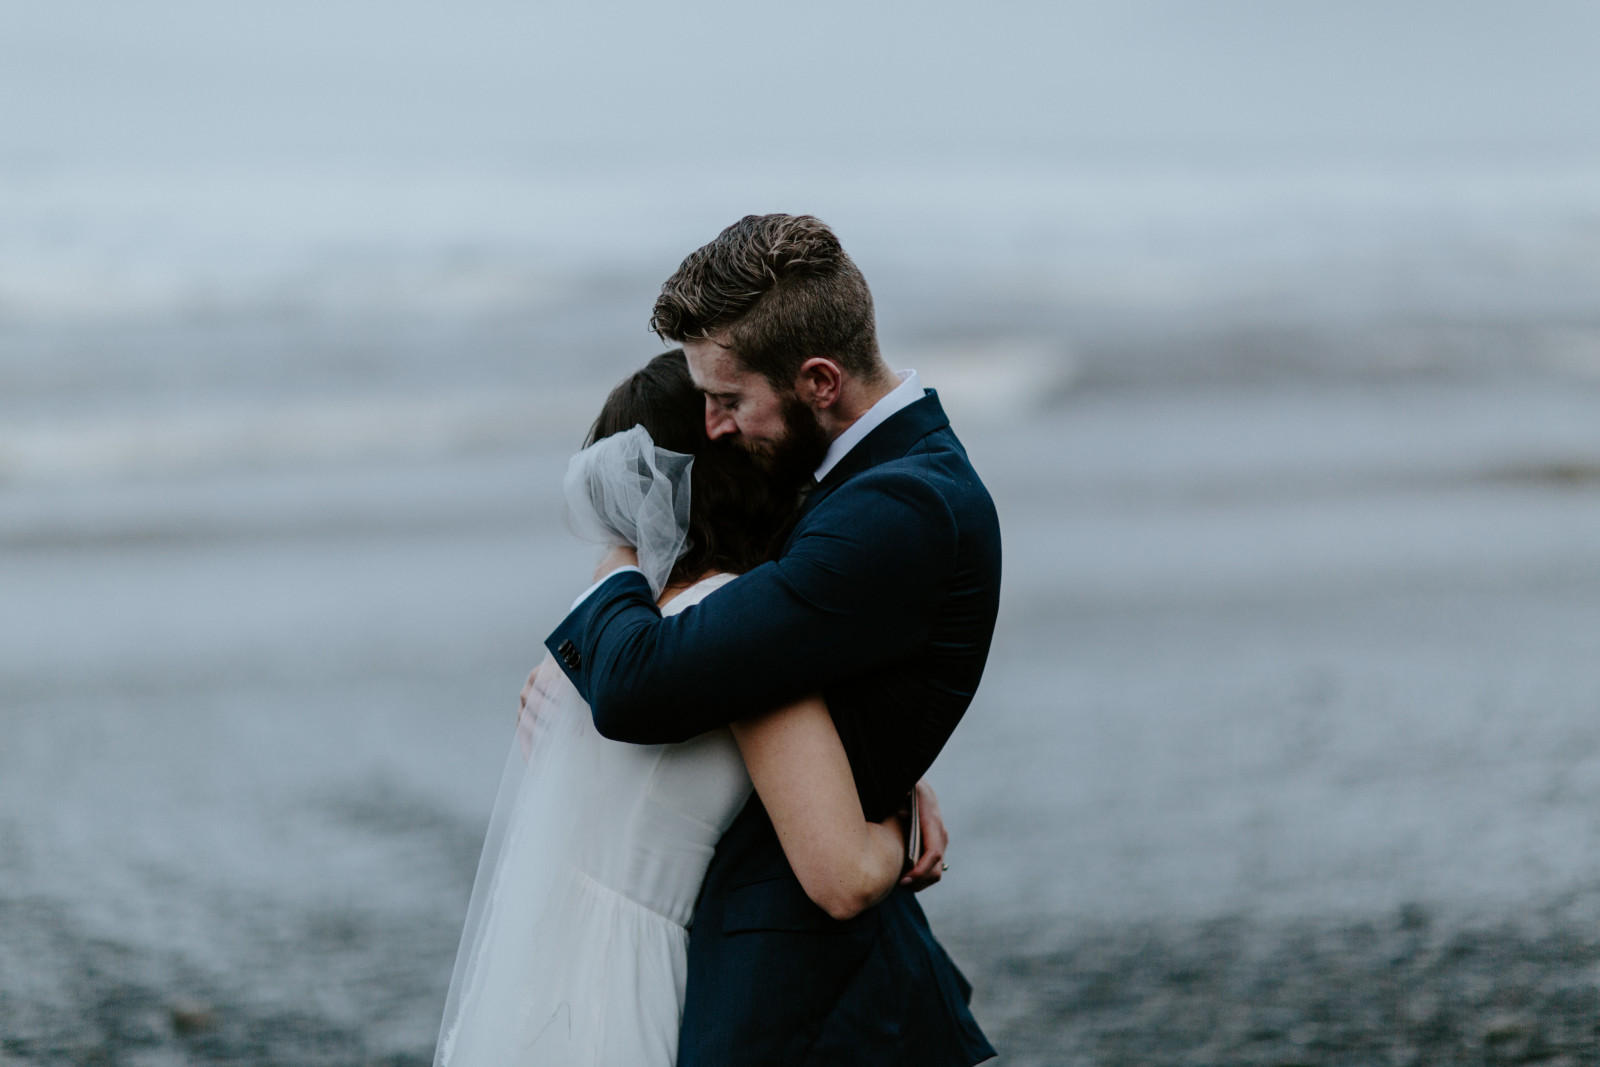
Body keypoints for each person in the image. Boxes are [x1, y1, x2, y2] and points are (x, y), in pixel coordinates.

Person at [544, 214, 1001, 1065]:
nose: (715, 425)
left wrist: (617, 567)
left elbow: (639, 686)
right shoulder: (863, 486)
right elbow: (820, 653)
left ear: (819, 380)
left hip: (798, 997)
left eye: (729, 398)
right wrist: (896, 773)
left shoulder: (892, 512)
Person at [434, 350, 935, 1066]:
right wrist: (895, 816)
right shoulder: (740, 633)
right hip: (625, 984)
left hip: (532, 972)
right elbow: (844, 877)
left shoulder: (601, 621)